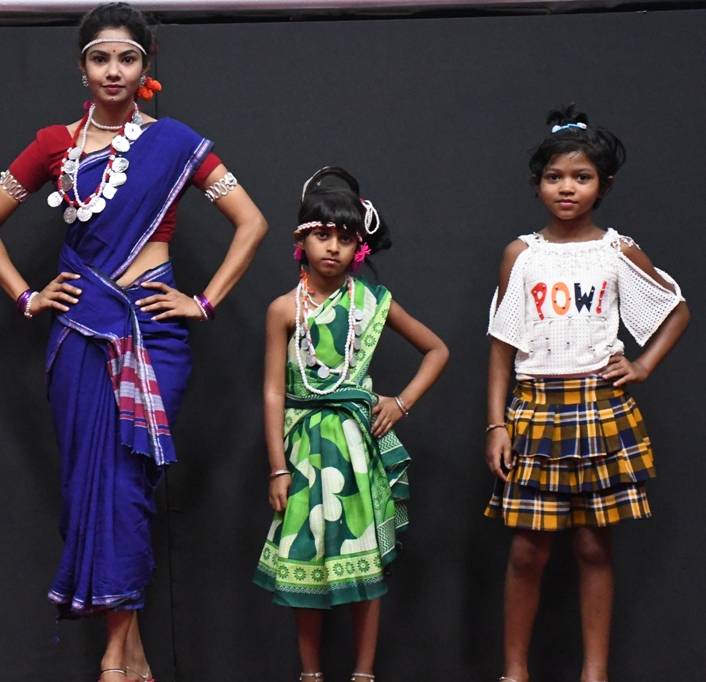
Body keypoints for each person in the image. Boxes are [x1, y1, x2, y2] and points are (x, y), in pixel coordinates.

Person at [0, 3, 267, 680]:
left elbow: (250, 222)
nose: (113, 70)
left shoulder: (177, 143)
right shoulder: (52, 146)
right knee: (87, 484)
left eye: (127, 58)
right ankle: (125, 655)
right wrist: (27, 293)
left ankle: (115, 655)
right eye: (100, 58)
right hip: (79, 329)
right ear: (81, 66)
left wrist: (204, 300)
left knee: (128, 485)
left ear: (145, 66)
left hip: (154, 331)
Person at [484, 105, 689, 682]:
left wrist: (643, 365)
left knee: (593, 548)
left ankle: (593, 673)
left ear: (604, 185)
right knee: (528, 550)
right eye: (555, 177)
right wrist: (496, 425)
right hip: (536, 411)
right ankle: (514, 671)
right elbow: (500, 345)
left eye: (581, 177)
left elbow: (676, 310)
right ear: (537, 184)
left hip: (600, 411)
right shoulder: (521, 255)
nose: (567, 188)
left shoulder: (615, 251)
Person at [253, 167, 448, 682]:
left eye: (344, 238)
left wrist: (400, 403)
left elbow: (436, 349)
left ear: (359, 247)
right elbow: (274, 391)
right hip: (302, 451)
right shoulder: (282, 310)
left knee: (365, 565)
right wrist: (277, 468)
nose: (332, 248)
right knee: (305, 555)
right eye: (322, 235)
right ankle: (310, 673)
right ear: (301, 240)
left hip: (357, 450)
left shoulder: (372, 304)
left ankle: (364, 673)